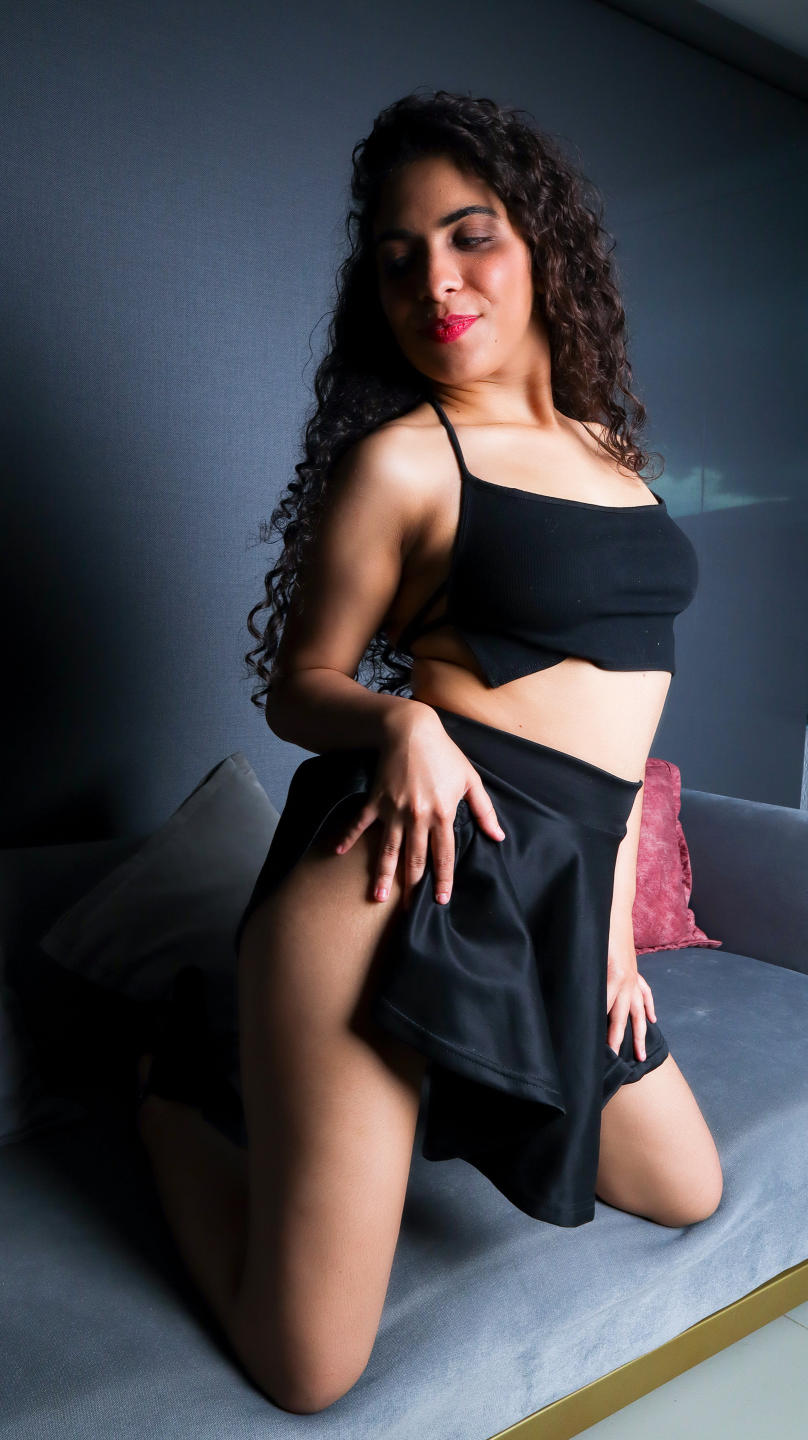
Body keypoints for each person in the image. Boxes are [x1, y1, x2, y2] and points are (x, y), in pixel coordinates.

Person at [134, 90, 724, 1414]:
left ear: (542, 244)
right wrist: (400, 720)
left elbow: (625, 723)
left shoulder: (611, 455)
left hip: (553, 889)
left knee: (687, 1186)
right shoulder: (405, 462)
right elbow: (300, 687)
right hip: (394, 876)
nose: (434, 281)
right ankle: (172, 1092)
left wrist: (612, 933)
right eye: (398, 258)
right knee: (307, 1369)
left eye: (470, 237)